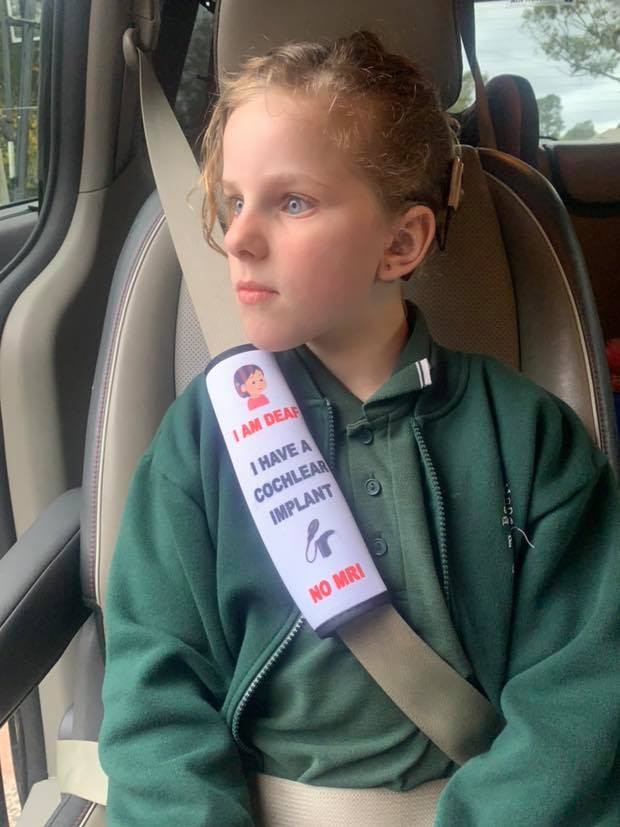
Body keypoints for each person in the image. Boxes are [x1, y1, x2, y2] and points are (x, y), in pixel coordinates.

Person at [99, 30, 620, 826]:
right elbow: (155, 691)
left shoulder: (528, 436)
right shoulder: (202, 439)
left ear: (400, 241)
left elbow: (579, 693)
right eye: (234, 200)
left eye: (292, 201)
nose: (236, 236)